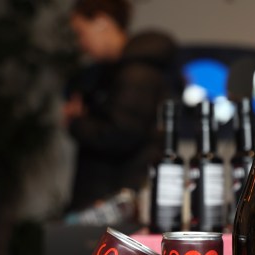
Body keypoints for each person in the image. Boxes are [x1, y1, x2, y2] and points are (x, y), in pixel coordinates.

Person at [63, 0, 180, 225]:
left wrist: (76, 122)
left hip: (113, 205)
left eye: (81, 32)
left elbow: (121, 134)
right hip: (110, 202)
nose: (81, 43)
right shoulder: (114, 72)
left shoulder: (136, 74)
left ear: (102, 22)